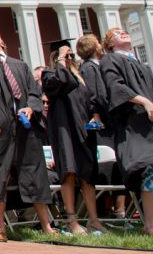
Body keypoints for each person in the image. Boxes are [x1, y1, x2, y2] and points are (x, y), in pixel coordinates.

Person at [0, 27, 54, 241]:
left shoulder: (20, 65)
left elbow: (34, 92)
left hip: (24, 128)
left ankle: (47, 225)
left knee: (34, 172)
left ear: (3, 41)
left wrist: (31, 108)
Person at [100, 27, 153, 236]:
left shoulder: (141, 64)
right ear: (110, 44)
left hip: (152, 126)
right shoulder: (111, 60)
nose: (123, 32)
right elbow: (116, 87)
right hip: (135, 127)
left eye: (124, 30)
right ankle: (150, 225)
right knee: (152, 171)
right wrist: (145, 102)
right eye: (116, 33)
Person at [41, 41, 107, 235]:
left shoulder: (81, 77)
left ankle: (93, 220)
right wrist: (61, 61)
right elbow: (60, 83)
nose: (70, 59)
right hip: (64, 131)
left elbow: (92, 100)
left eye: (71, 55)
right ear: (56, 58)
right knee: (68, 172)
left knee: (87, 174)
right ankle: (72, 221)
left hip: (83, 130)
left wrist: (95, 117)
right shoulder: (50, 75)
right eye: (65, 55)